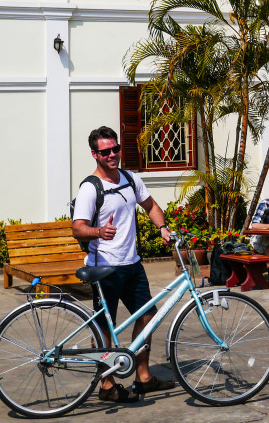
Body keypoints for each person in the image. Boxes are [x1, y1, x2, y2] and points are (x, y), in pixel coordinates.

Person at [71, 126, 176, 404]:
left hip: (132, 263)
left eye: (115, 149)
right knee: (105, 328)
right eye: (105, 151)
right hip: (104, 267)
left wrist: (163, 228)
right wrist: (98, 232)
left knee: (147, 317)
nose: (112, 154)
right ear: (95, 154)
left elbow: (151, 205)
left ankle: (143, 378)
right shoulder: (90, 188)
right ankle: (106, 385)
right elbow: (78, 228)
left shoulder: (130, 178)